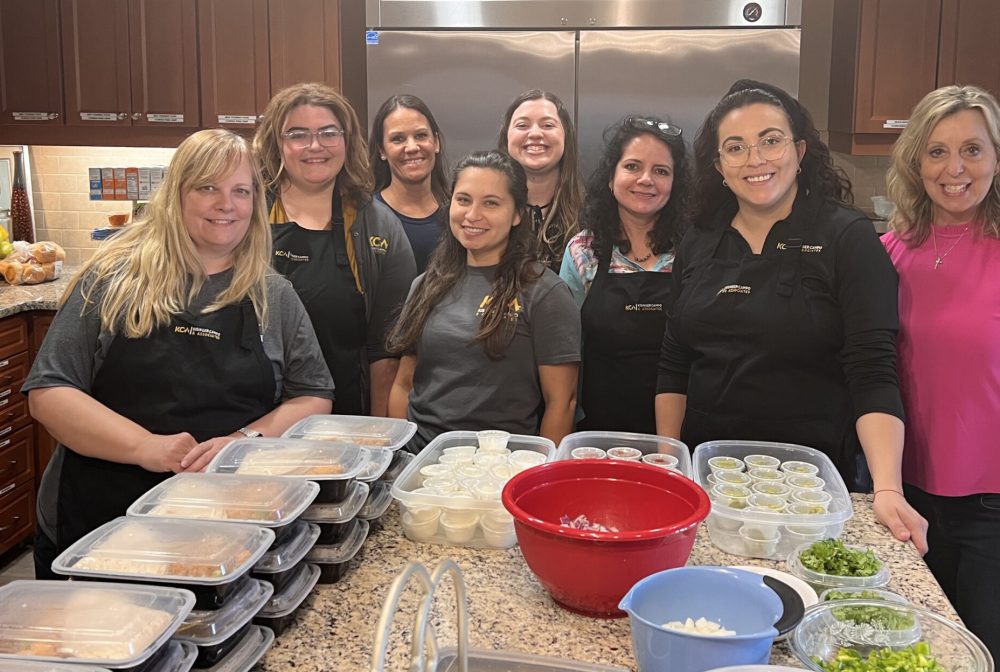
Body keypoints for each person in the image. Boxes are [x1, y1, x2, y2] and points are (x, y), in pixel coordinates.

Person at [23, 129, 335, 578]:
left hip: (229, 523)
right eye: (208, 187)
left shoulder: (273, 295)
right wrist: (144, 446)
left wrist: (242, 444)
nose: (226, 204)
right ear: (177, 196)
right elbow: (49, 393)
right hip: (101, 519)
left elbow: (313, 393)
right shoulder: (112, 280)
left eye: (240, 191)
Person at [654, 80, 927, 552]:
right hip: (709, 483)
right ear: (719, 167)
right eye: (735, 148)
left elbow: (873, 370)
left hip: (811, 489)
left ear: (799, 150)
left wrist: (887, 488)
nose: (755, 158)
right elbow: (674, 361)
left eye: (771, 140)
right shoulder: (699, 240)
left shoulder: (848, 238)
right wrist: (670, 462)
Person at [881, 85, 1000, 658]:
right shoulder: (891, 250)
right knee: (918, 652)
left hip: (992, 506)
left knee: (981, 652)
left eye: (973, 150)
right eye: (937, 152)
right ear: (915, 162)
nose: (955, 169)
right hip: (905, 497)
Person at [386, 150, 580, 450]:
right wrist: (401, 457)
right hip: (423, 465)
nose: (472, 214)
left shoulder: (545, 292)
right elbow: (404, 384)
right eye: (463, 200)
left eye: (491, 203)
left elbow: (562, 403)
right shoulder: (425, 285)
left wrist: (535, 475)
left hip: (498, 467)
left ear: (517, 214)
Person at [254, 82, 417, 417]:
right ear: (276, 143)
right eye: (297, 134)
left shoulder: (378, 227)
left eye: (329, 132)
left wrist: (378, 435)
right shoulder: (246, 216)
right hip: (247, 419)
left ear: (346, 140)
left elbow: (386, 349)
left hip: (344, 420)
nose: (315, 146)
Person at [559, 116, 690, 434]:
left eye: (661, 171)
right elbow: (565, 351)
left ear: (675, 184)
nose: (646, 179)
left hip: (680, 431)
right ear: (610, 177)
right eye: (632, 166)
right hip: (598, 430)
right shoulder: (583, 251)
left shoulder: (694, 251)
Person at [497, 90, 583, 270]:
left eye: (547, 125)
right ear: (506, 136)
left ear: (566, 136)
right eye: (522, 125)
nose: (535, 133)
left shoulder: (591, 213)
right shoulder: (483, 212)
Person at [369, 94, 448, 273]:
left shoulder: (459, 213)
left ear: (436, 142)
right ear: (382, 150)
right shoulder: (366, 217)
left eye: (420, 135)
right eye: (398, 139)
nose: (412, 147)